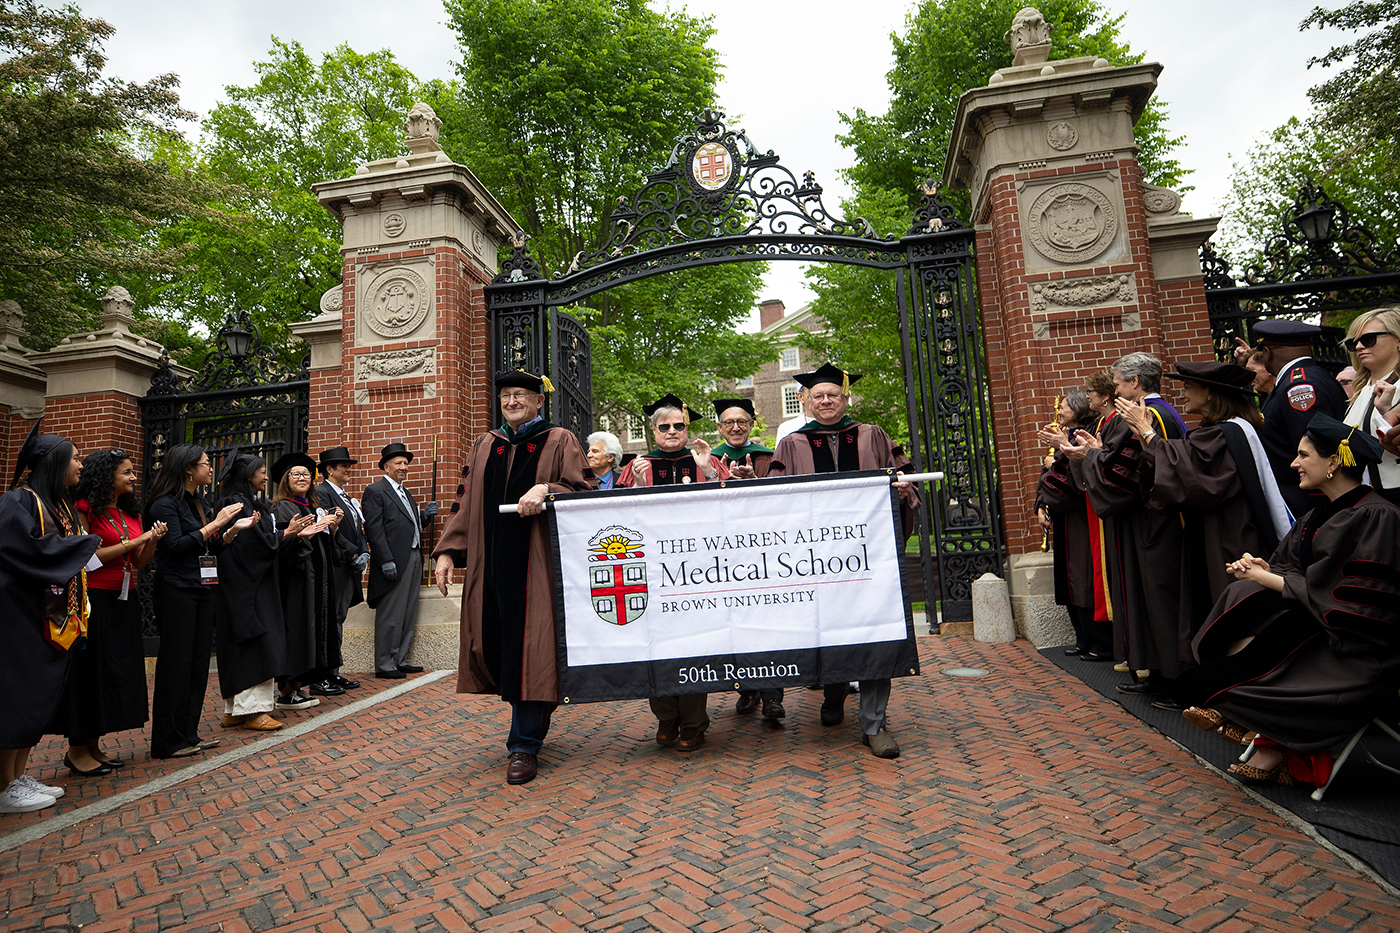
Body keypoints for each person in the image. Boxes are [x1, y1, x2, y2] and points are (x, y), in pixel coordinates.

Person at [1177, 415, 1400, 787]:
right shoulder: (1317, 515)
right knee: (1244, 593)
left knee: (1253, 631)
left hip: (1356, 651)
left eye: (1303, 455)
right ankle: (1259, 732)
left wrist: (1273, 580)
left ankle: (1255, 728)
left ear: (1333, 462)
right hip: (1320, 629)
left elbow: (1362, 605)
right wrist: (1266, 570)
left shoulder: (1378, 517)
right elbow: (1291, 569)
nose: (1293, 463)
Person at [431, 371, 590, 784]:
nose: (512, 400)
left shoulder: (559, 440)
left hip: (537, 567)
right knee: (498, 646)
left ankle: (523, 745)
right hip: (492, 564)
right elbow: (465, 502)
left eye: (521, 394)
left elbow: (584, 491)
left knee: (533, 650)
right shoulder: (486, 444)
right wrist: (448, 551)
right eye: (505, 395)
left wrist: (547, 489)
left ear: (540, 401)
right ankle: (536, 711)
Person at [1117, 362, 1296, 711]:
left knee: (1228, 608)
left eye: (1189, 387)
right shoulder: (1228, 430)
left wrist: (1148, 434)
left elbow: (1197, 478)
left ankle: (1234, 696)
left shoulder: (1226, 433)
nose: (1183, 394)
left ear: (1210, 393)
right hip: (1222, 528)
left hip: (1230, 536)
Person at [768, 363, 919, 759]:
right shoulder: (792, 445)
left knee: (875, 630)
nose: (826, 401)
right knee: (828, 630)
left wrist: (903, 492)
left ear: (845, 397)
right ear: (805, 400)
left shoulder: (871, 434)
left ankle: (874, 723)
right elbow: (777, 504)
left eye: (832, 394)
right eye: (817, 395)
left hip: (872, 555)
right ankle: (834, 694)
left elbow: (905, 476)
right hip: (815, 561)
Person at [1065, 352, 1192, 700]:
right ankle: (1156, 672)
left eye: (1119, 382)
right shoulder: (1150, 414)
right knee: (1150, 598)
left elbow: (1128, 475)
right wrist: (1097, 453)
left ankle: (1173, 680)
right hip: (1148, 518)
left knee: (1161, 598)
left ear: (1135, 383)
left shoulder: (1153, 416)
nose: (1115, 388)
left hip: (1155, 520)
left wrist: (1090, 456)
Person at [618, 393, 733, 750]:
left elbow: (733, 507)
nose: (672, 431)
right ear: (653, 431)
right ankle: (666, 715)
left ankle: (695, 722)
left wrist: (709, 471)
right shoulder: (638, 466)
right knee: (655, 643)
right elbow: (617, 520)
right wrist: (636, 485)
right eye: (664, 426)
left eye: (679, 426)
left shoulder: (704, 459)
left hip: (699, 568)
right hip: (652, 570)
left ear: (688, 429)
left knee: (694, 645)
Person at [0, 423, 100, 813]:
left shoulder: (54, 505)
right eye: (74, 457)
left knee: (36, 697)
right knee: (16, 697)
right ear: (54, 462)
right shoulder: (16, 502)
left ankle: (17, 775)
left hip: (45, 616)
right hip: (16, 616)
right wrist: (83, 544)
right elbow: (24, 551)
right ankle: (4, 784)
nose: (80, 464)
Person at [55, 449, 166, 775]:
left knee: (112, 673)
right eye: (127, 472)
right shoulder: (85, 509)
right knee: (90, 671)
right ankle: (77, 749)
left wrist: (152, 541)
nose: (134, 477)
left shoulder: (130, 513)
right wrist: (137, 541)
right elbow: (90, 557)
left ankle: (94, 745)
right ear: (108, 476)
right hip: (95, 601)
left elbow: (140, 563)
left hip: (125, 600)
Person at [146, 445, 245, 759]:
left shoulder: (198, 501)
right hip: (176, 590)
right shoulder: (164, 505)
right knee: (177, 663)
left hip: (203, 587)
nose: (211, 468)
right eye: (205, 464)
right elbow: (175, 546)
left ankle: (189, 733)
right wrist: (216, 524)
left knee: (199, 662)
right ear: (188, 469)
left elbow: (207, 545)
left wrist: (228, 533)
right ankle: (167, 739)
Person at [213, 450, 293, 731]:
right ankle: (253, 710)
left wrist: (285, 534)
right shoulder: (236, 502)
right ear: (247, 474)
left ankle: (235, 709)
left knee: (245, 644)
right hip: (247, 585)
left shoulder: (245, 501)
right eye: (261, 471)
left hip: (249, 583)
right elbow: (251, 544)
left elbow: (262, 539)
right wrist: (283, 536)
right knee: (256, 643)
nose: (266, 475)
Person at [1034, 390, 1112, 662]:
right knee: (1070, 582)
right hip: (1065, 519)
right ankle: (1083, 640)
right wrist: (1041, 504)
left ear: (1078, 410)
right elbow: (1048, 479)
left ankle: (1098, 642)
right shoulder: (1064, 436)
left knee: (1083, 579)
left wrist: (1054, 461)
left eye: (1064, 407)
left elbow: (1072, 484)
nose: (1059, 412)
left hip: (1081, 518)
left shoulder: (1080, 436)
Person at [1244, 319, 1349, 517]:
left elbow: (1314, 451)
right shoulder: (1313, 376)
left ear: (1267, 352)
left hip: (1312, 504)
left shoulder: (1298, 387)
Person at [270, 452, 344, 708]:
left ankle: (299, 687)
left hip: (318, 583)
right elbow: (282, 548)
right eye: (296, 474)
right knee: (299, 631)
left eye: (306, 475)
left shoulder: (312, 506)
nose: (302, 478)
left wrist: (331, 528)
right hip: (298, 583)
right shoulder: (282, 506)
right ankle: (286, 692)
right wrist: (309, 532)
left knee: (313, 632)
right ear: (285, 480)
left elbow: (326, 548)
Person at [363, 441, 437, 679]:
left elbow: (406, 526)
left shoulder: (405, 492)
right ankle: (385, 663)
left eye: (406, 463)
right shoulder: (375, 491)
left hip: (414, 556)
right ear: (386, 467)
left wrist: (424, 517)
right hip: (394, 560)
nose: (404, 467)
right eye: (399, 463)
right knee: (391, 613)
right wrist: (385, 560)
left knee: (407, 611)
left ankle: (399, 658)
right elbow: (375, 530)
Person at [316, 447, 367, 691]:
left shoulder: (346, 496)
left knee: (339, 618)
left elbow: (358, 527)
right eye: (343, 466)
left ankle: (334, 672)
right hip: (336, 565)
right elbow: (329, 529)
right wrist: (353, 552)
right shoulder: (322, 493)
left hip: (348, 567)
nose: (349, 469)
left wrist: (364, 550)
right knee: (330, 619)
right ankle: (324, 674)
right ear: (329, 469)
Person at [1339, 308, 1400, 499]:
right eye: (1352, 343)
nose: (1358, 347)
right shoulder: (1360, 392)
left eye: (1368, 339)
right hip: (1367, 499)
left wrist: (1387, 412)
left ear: (1398, 339)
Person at [711, 398, 774, 480]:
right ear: (720, 427)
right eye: (729, 423)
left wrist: (754, 480)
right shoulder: (710, 460)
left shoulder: (769, 457)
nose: (736, 428)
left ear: (751, 425)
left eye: (741, 422)